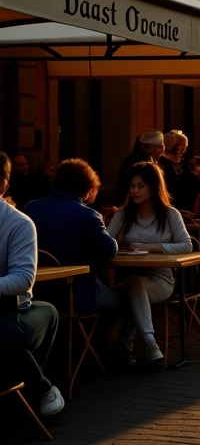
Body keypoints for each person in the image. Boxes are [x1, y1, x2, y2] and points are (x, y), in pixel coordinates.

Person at [106, 161, 192, 364]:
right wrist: (116, 243)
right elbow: (105, 244)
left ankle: (132, 344)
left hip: (161, 280)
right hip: (126, 278)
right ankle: (143, 344)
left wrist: (153, 246)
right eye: (132, 186)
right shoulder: (123, 214)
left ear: (154, 186)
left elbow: (186, 245)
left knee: (135, 285)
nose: (135, 191)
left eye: (141, 186)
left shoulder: (170, 214)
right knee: (132, 284)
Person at [0, 151, 66, 417]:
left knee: (42, 314)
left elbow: (24, 278)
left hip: (13, 311)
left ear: (2, 186)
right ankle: (39, 389)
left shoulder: (18, 223)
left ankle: (33, 391)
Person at [25, 158, 121, 316]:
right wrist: (107, 228)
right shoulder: (88, 215)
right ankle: (103, 340)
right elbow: (109, 251)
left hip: (37, 292)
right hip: (78, 294)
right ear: (88, 187)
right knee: (125, 299)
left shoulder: (31, 208)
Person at [116, 130, 164, 204]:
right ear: (150, 148)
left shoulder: (130, 159)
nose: (162, 151)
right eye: (160, 147)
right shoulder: (146, 163)